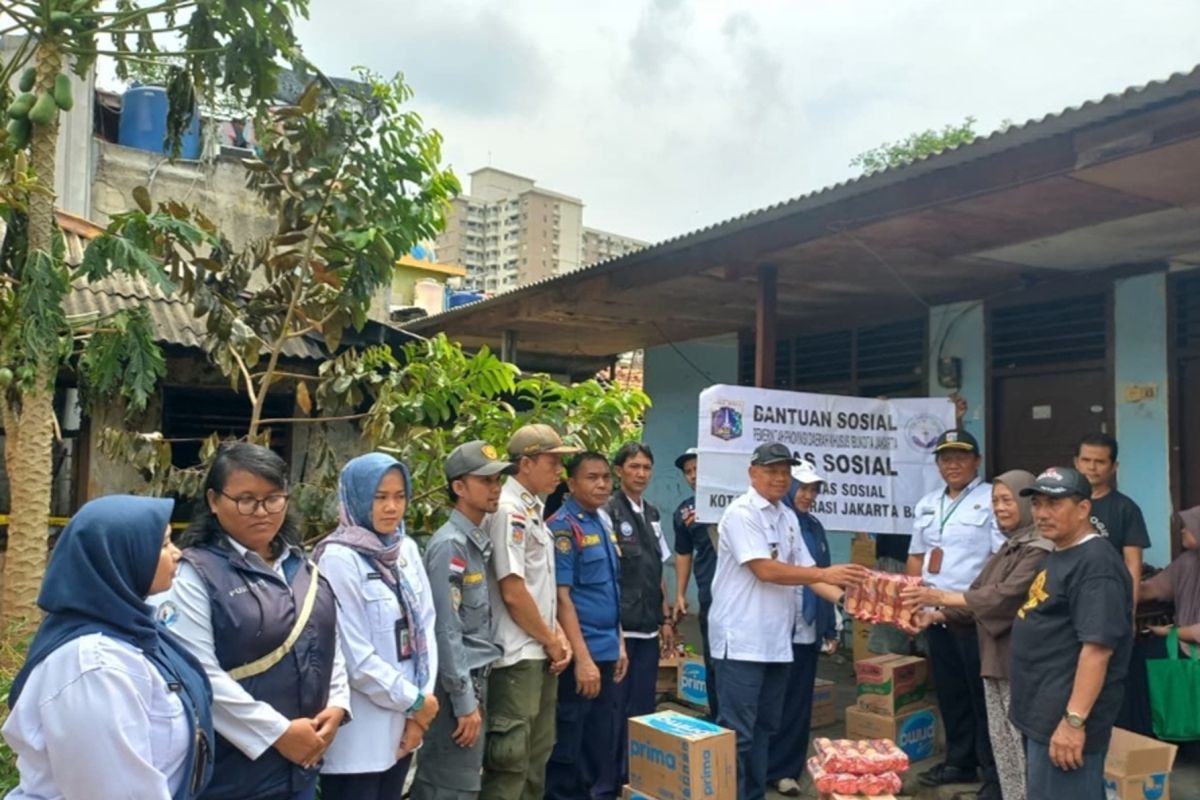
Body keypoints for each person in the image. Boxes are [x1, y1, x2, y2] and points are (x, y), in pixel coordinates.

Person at [152, 442, 350, 800]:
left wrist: (337, 704)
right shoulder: (195, 574)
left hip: (302, 767)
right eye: (246, 500)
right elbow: (196, 672)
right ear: (214, 500)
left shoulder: (303, 567)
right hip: (232, 775)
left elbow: (327, 641)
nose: (262, 512)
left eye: (273, 498)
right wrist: (278, 733)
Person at [4, 495, 214, 800]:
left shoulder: (134, 631)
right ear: (122, 556)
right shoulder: (93, 666)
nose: (177, 553)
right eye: (164, 544)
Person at [709, 442, 868, 800]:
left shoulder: (786, 517)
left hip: (776, 642)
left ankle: (753, 795)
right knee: (738, 733)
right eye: (772, 471)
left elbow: (811, 573)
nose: (780, 478)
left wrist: (848, 600)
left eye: (785, 472)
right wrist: (828, 572)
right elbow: (765, 570)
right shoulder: (741, 513)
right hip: (741, 641)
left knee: (765, 728)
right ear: (753, 473)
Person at [903, 469, 1053, 800]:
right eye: (995, 501)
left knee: (1015, 737)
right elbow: (978, 591)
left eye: (1007, 500)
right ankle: (997, 788)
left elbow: (1003, 596)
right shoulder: (1011, 547)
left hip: (1020, 657)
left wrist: (940, 598)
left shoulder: (1039, 548)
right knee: (998, 734)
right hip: (994, 653)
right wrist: (936, 615)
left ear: (1029, 503)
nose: (1000, 508)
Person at [314, 452, 439, 800]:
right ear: (355, 498)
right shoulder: (338, 559)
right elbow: (355, 657)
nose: (391, 508)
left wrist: (419, 713)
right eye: (379, 497)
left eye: (399, 496)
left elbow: (426, 628)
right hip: (360, 738)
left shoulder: (407, 550)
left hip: (406, 725)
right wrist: (413, 702)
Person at [1010, 467, 1133, 799]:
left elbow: (1098, 650)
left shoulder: (1096, 565)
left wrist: (1073, 723)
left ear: (1083, 509)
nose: (1041, 514)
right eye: (1036, 503)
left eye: (1054, 504)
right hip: (1043, 712)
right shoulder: (1062, 551)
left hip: (1064, 721)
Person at [412, 441, 514, 800]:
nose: (495, 487)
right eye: (485, 480)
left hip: (475, 683)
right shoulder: (449, 546)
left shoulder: (474, 541)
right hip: (456, 689)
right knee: (448, 787)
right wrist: (464, 702)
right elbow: (446, 629)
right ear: (459, 487)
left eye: (498, 479)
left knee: (465, 784)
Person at [480, 423, 576, 800]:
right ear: (525, 463)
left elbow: (539, 589)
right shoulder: (508, 510)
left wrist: (557, 635)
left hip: (539, 649)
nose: (559, 471)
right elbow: (514, 590)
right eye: (552, 462)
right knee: (510, 763)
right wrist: (551, 639)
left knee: (537, 757)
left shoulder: (532, 509)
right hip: (517, 655)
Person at [905, 429, 1003, 793]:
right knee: (949, 691)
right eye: (946, 458)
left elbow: (999, 559)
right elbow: (916, 556)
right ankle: (960, 762)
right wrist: (911, 603)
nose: (953, 464)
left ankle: (993, 771)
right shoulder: (928, 502)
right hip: (934, 615)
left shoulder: (992, 498)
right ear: (938, 465)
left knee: (983, 696)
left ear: (976, 460)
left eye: (961, 457)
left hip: (972, 614)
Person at [546, 451, 628, 800]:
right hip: (583, 658)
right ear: (571, 482)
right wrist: (582, 659)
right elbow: (563, 599)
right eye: (592, 477)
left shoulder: (601, 523)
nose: (601, 484)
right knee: (570, 748)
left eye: (606, 478)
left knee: (599, 744)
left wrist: (620, 642)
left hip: (606, 651)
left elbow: (610, 588)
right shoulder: (563, 527)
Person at [766, 460, 840, 798]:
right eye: (803, 488)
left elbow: (822, 574)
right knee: (770, 700)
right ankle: (760, 767)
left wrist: (832, 624)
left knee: (797, 702)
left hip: (806, 629)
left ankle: (785, 770)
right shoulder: (774, 523)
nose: (808, 495)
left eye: (813, 490)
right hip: (775, 626)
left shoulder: (813, 526)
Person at [606, 442, 672, 789]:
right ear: (619, 471)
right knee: (615, 709)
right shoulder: (608, 512)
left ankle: (636, 776)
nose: (641, 473)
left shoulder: (653, 513)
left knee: (643, 708)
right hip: (621, 630)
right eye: (634, 466)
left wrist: (665, 619)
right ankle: (611, 779)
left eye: (646, 467)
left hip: (648, 629)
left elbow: (657, 571)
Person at [1120, 505, 1200, 735]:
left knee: (1145, 661)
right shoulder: (1188, 562)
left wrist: (1166, 632)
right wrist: (1123, 586)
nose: (1183, 531)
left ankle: (1150, 735)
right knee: (1133, 659)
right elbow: (1154, 589)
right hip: (1184, 642)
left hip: (1187, 641)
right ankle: (1149, 738)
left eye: (1189, 527)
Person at [672, 446, 721, 721]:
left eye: (697, 468)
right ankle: (718, 716)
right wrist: (680, 593)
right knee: (713, 657)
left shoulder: (736, 501)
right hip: (710, 592)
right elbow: (683, 553)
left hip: (744, 594)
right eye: (688, 472)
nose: (692, 476)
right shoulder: (685, 511)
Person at [1074, 433, 1150, 604]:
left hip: (1107, 598)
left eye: (1100, 462)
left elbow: (1133, 565)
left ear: (1114, 466)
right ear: (1076, 463)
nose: (1092, 467)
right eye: (1086, 460)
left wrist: (1131, 610)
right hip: (1066, 593)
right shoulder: (1063, 503)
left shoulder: (1126, 508)